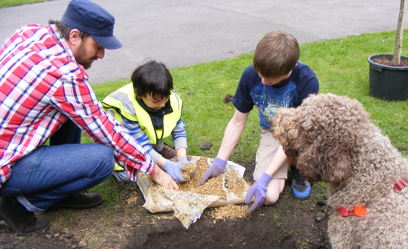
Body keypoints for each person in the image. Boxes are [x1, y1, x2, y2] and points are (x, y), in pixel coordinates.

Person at [0, 0, 177, 235]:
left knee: (72, 115)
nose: (102, 54)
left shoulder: (30, 33)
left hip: (9, 139)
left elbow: (88, 111)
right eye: (98, 45)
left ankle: (63, 193)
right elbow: (107, 131)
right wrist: (154, 170)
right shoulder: (64, 75)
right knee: (102, 160)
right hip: (5, 163)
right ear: (75, 35)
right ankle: (16, 205)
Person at [200, 31, 319, 213]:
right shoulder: (250, 76)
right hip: (273, 132)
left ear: (291, 68)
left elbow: (295, 135)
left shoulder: (306, 81)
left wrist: (266, 176)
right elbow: (237, 122)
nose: (262, 81)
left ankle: (299, 170)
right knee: (268, 196)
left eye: (269, 80)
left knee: (308, 144)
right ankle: (286, 168)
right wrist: (220, 161)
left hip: (301, 134)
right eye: (260, 74)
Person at [102, 60, 189, 183]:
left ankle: (158, 150)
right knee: (136, 175)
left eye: (165, 98)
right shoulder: (129, 106)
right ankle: (119, 171)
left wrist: (182, 158)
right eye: (156, 101)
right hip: (123, 148)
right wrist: (164, 165)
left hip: (143, 142)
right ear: (140, 94)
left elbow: (179, 130)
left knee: (158, 164)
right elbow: (139, 145)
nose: (163, 104)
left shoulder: (170, 99)